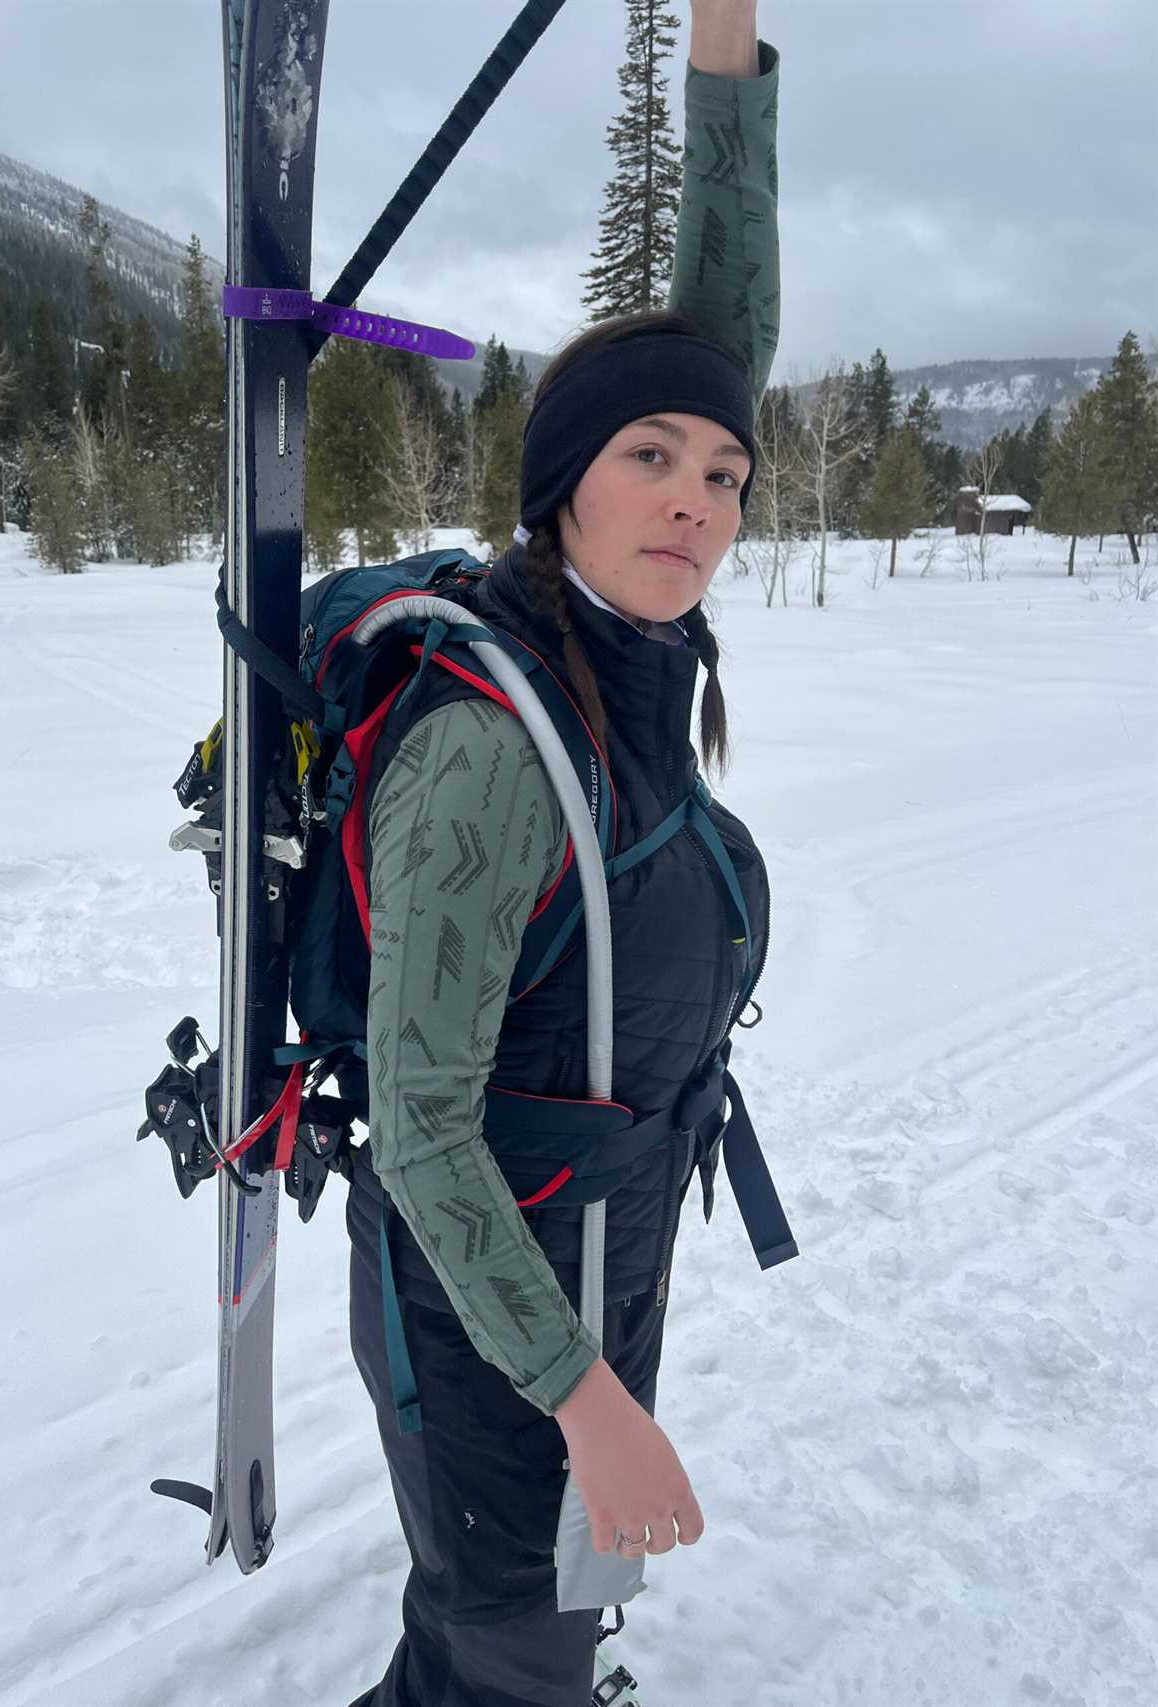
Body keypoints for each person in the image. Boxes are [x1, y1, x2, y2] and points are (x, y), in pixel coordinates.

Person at [346, 4, 781, 1702]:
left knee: (522, 1611)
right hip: (494, 1305)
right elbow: (427, 1134)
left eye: (726, 472)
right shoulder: (490, 755)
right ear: (564, 492)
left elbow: (718, 325)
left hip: (606, 1240)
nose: (696, 499)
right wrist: (590, 1402)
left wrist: (729, 45)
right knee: (502, 1634)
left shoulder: (633, 661)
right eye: (649, 460)